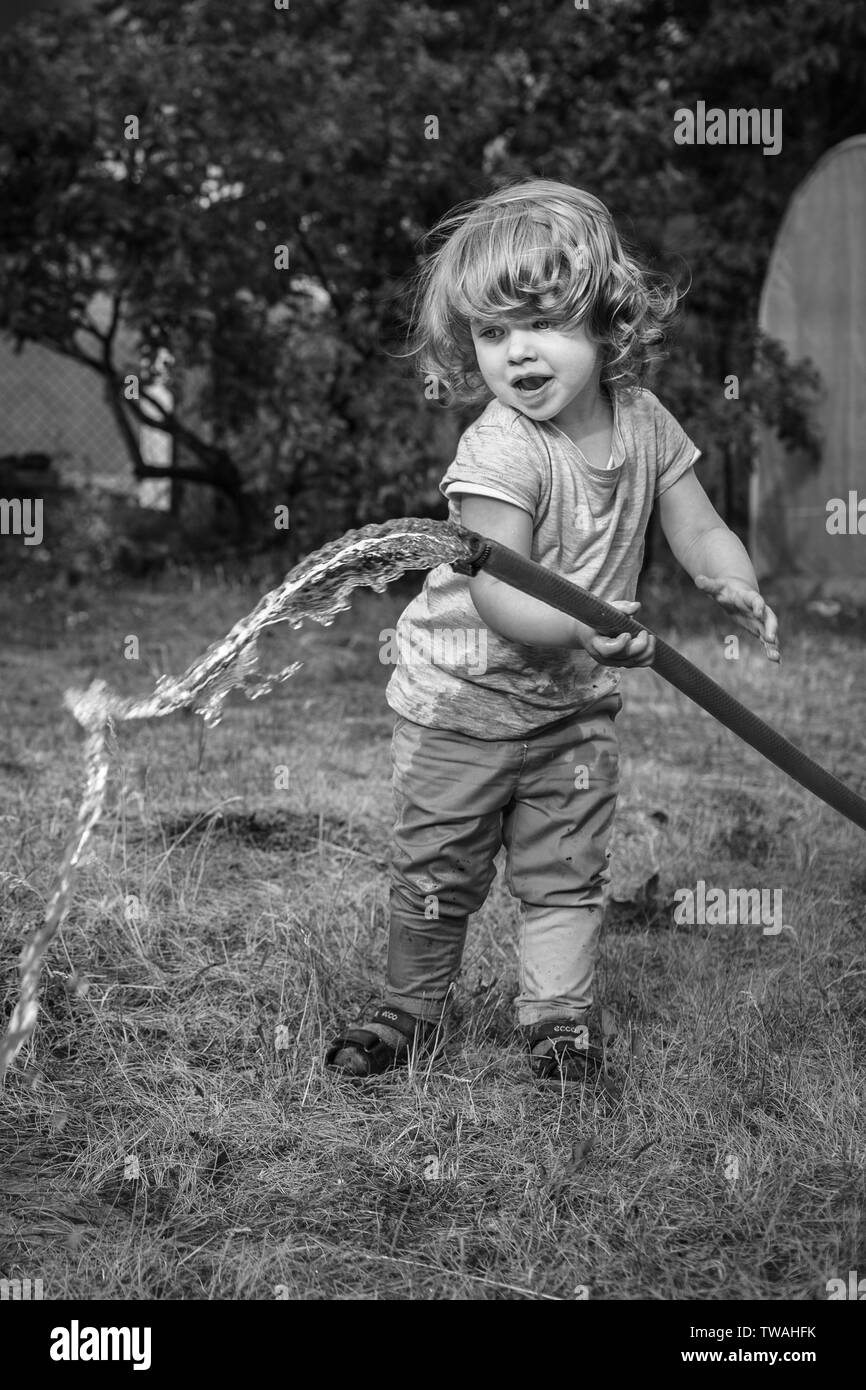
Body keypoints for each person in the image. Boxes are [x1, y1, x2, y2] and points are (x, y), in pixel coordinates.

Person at [326, 179, 779, 1084]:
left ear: (607, 321)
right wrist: (591, 627)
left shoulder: (645, 421)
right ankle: (407, 1010)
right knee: (439, 868)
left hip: (571, 710)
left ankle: (558, 1023)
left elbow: (691, 518)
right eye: (493, 334)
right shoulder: (501, 450)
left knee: (566, 868)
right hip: (463, 700)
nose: (517, 354)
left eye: (541, 323)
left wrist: (728, 574)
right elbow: (500, 595)